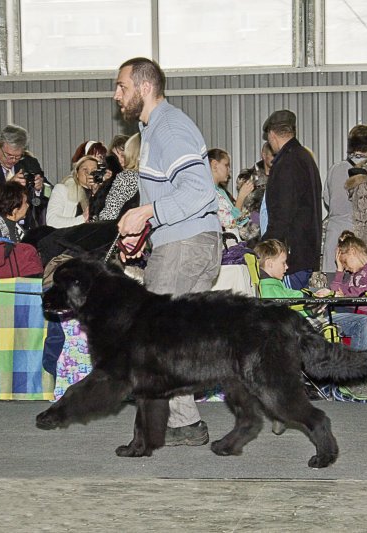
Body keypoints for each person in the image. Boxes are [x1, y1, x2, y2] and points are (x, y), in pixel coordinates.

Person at [114, 57, 221, 447]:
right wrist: (141, 228)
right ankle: (186, 423)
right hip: (188, 241)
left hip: (183, 245)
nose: (116, 94)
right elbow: (175, 193)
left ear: (144, 87)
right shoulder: (158, 129)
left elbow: (198, 190)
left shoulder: (168, 128)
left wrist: (146, 212)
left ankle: (151, 431)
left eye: (121, 86)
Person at [254, 238, 367, 352]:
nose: (287, 267)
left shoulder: (272, 285)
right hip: (306, 324)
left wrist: (313, 298)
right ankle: (357, 371)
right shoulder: (268, 288)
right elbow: (286, 310)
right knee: (363, 323)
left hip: (309, 319)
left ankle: (361, 369)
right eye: (283, 263)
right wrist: (312, 302)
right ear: (270, 264)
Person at [260, 109, 322, 289]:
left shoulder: (286, 163)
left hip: (290, 258)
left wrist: (265, 249)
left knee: (287, 310)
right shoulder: (305, 157)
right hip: (305, 253)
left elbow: (282, 214)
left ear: (272, 135)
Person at [322, 125, 367, 277]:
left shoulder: (335, 169)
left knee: (335, 289)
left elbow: (327, 199)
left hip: (335, 240)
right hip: (361, 243)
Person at [46, 155, 100, 229]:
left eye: (94, 170)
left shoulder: (102, 194)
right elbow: (52, 221)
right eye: (85, 170)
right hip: (67, 237)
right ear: (77, 174)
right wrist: (82, 219)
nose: (89, 173)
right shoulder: (62, 190)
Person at [209, 148, 254, 233]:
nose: (229, 170)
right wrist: (241, 197)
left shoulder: (221, 191)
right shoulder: (209, 193)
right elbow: (230, 223)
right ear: (214, 165)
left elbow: (239, 221)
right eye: (226, 165)